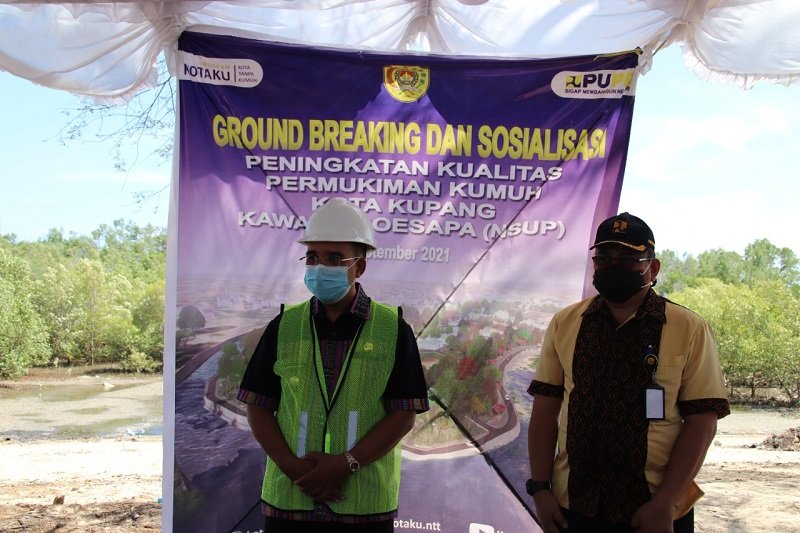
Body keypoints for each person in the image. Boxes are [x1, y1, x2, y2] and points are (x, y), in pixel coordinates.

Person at [526, 212, 730, 533]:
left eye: (629, 258)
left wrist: (665, 502)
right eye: (604, 258)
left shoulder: (689, 328)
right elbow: (545, 410)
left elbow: (702, 423)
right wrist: (540, 489)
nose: (614, 266)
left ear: (653, 267)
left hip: (654, 510)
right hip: (574, 504)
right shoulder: (565, 323)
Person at [238, 197, 429, 533]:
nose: (320, 266)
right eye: (312, 256)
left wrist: (345, 465)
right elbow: (258, 405)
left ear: (359, 266)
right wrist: (296, 470)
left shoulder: (392, 329)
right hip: (290, 501)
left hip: (362, 506)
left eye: (334, 257)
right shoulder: (284, 326)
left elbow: (403, 414)